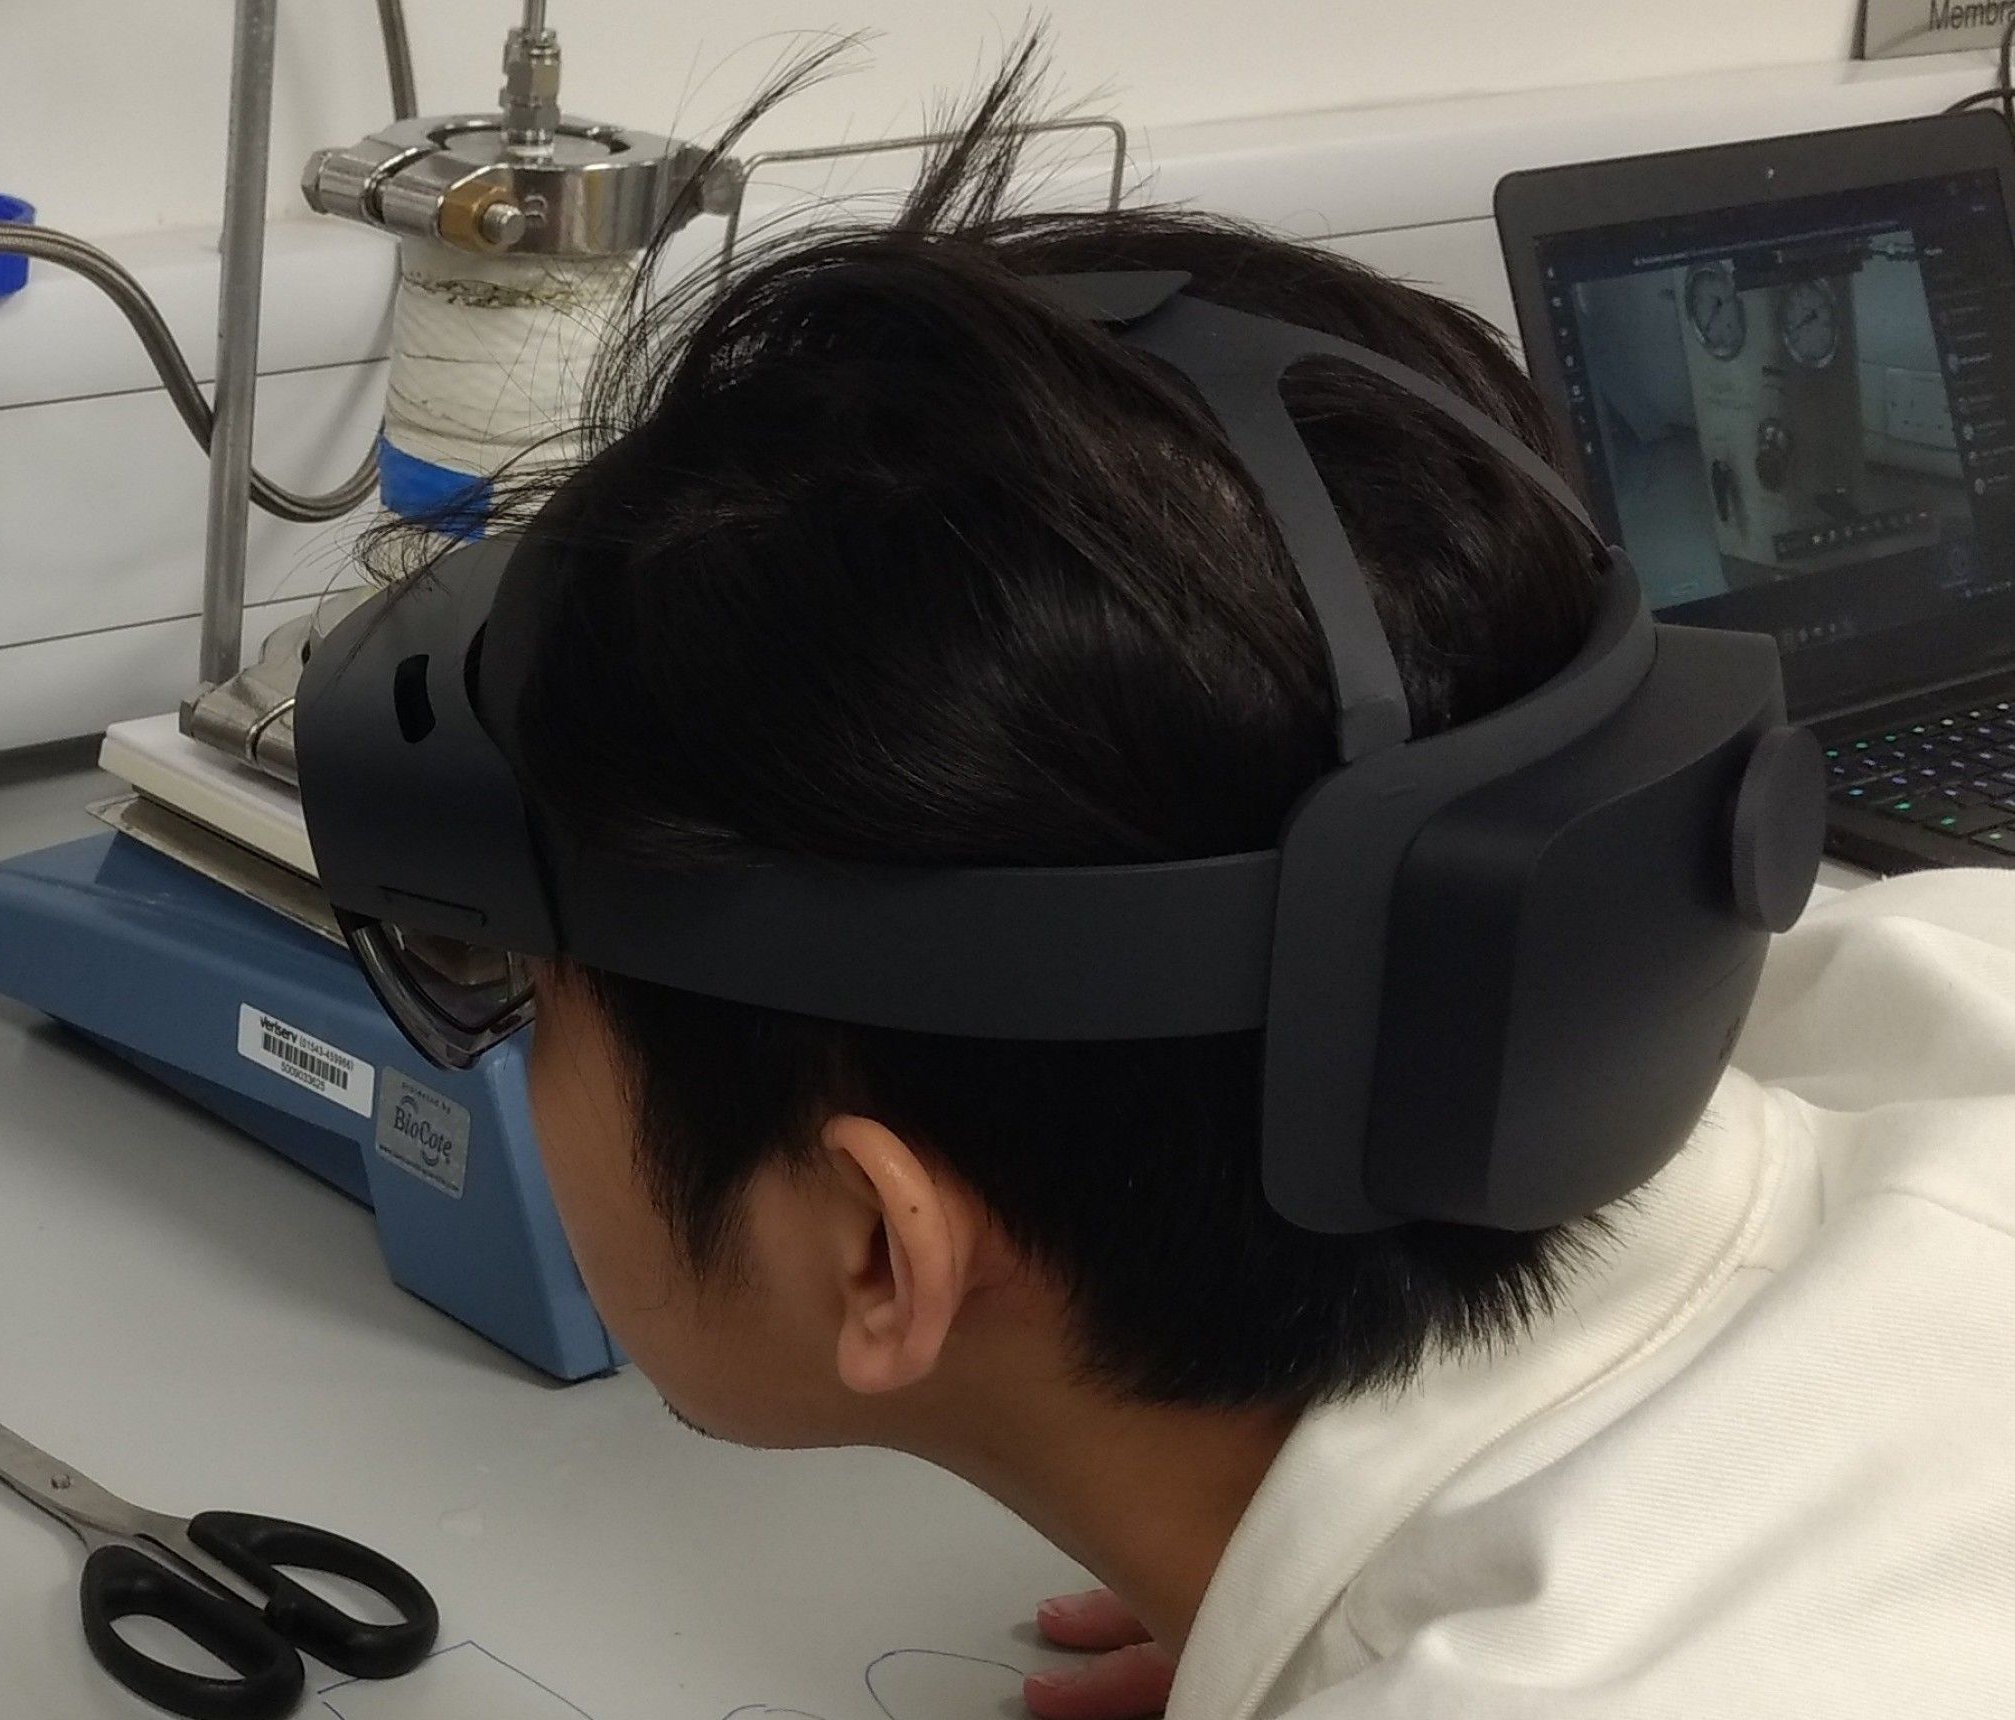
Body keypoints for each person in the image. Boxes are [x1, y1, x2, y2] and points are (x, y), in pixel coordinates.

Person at [401, 60, 2015, 1720]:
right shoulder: (1941, 979)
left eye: (532, 997)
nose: (522, 1046)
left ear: (879, 1252)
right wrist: (1294, 1586)